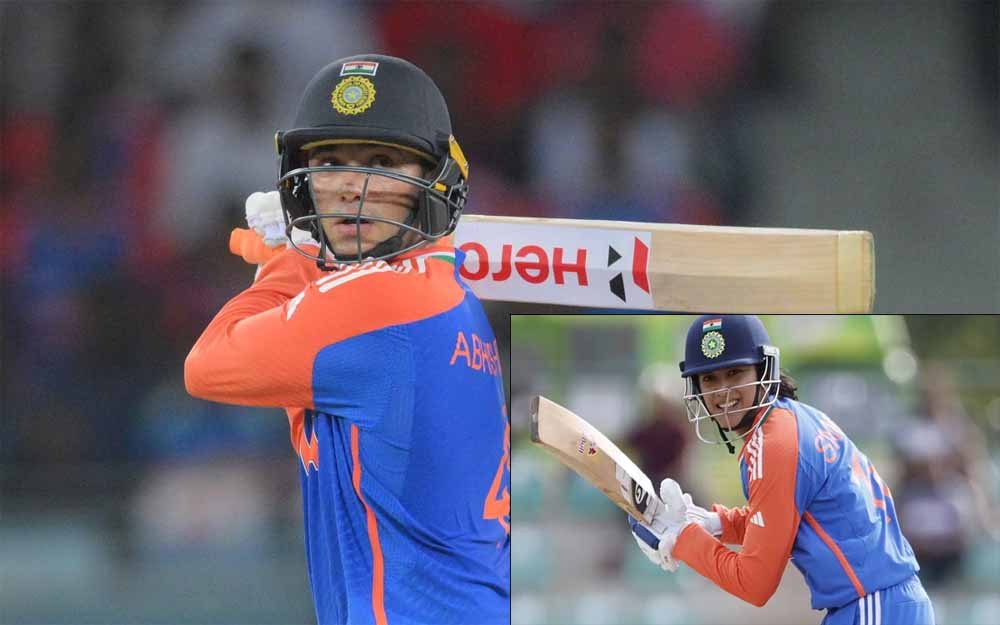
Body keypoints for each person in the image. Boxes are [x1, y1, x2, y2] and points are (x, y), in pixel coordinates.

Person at [185, 54, 510, 625]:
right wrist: (309, 264)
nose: (350, 188)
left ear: (436, 180)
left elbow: (207, 364)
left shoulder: (376, 303)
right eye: (330, 162)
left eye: (381, 162)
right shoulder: (449, 297)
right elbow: (313, 383)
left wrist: (287, 262)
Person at [629, 315, 935, 625]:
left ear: (764, 369)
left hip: (874, 606)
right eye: (709, 379)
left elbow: (754, 583)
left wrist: (686, 539)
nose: (723, 391)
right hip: (878, 604)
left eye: (735, 373)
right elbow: (786, 519)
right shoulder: (793, 419)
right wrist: (716, 523)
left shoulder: (773, 443)